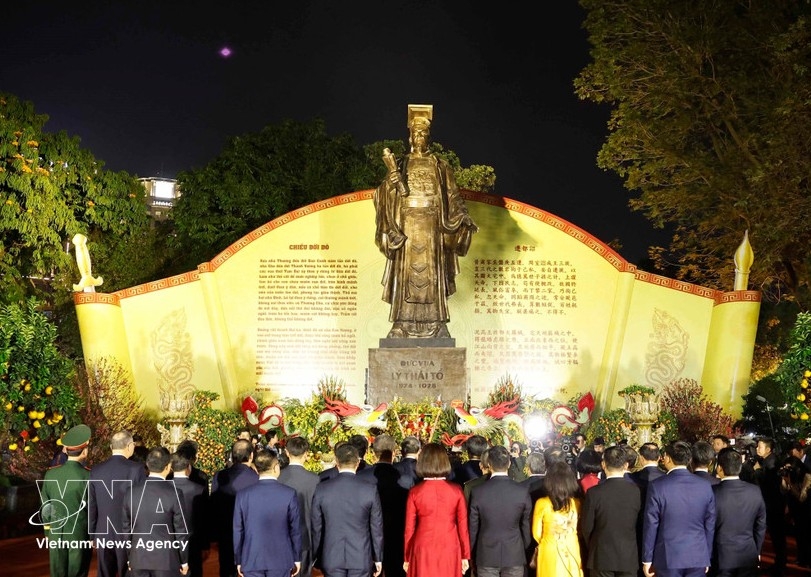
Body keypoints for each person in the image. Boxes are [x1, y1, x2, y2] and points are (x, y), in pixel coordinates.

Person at [373, 103, 478, 339]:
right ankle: (400, 324)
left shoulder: (440, 166)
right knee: (405, 277)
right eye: (415, 132)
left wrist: (462, 216)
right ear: (410, 136)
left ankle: (438, 324)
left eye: (423, 133)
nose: (419, 136)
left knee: (433, 276)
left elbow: (453, 196)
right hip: (406, 227)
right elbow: (381, 194)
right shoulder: (400, 164)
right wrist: (391, 184)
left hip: (432, 226)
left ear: (428, 137)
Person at [641, 440, 716, 577]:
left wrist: (647, 558)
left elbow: (651, 524)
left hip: (668, 555)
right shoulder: (705, 486)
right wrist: (707, 556)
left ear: (667, 458)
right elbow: (709, 524)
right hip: (698, 554)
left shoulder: (657, 486)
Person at [311, 443, 384, 577]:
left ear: (337, 462)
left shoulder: (322, 489)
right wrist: (378, 557)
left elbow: (316, 527)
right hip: (361, 556)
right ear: (357, 463)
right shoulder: (369, 489)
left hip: (332, 556)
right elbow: (376, 527)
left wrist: (314, 554)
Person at [404, 442, 471, 577]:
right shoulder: (456, 491)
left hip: (423, 546)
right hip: (449, 545)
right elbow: (463, 527)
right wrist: (465, 555)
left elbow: (409, 529)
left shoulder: (415, 492)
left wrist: (406, 556)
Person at [234, 449, 302, 577]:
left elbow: (238, 530)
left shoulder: (243, 495)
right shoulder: (289, 493)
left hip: (251, 559)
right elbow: (295, 529)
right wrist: (297, 557)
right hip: (281, 559)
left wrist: (238, 559)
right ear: (276, 467)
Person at [88, 429, 147, 577]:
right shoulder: (136, 469)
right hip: (128, 534)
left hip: (103, 533)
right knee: (127, 572)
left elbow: (92, 506)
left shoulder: (96, 470)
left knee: (104, 573)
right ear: (130, 446)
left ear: (111, 447)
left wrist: (92, 535)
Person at [122, 446, 189, 576]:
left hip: (138, 558)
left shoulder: (131, 492)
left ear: (147, 464)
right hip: (166, 560)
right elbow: (180, 531)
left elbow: (126, 530)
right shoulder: (175, 493)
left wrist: (130, 557)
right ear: (168, 467)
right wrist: (184, 561)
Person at [468, 445, 533, 577]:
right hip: (514, 554)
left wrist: (472, 553)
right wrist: (524, 549)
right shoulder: (521, 491)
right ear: (509, 464)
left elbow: (473, 527)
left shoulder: (478, 492)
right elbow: (526, 525)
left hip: (486, 554)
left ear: (489, 464)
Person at [579, 445, 642, 577]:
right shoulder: (636, 491)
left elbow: (586, 527)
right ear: (626, 465)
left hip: (601, 555)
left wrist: (593, 545)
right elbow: (640, 523)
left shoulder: (594, 493)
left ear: (603, 464)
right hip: (628, 556)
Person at [40, 424, 93, 577]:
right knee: (78, 573)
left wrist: (48, 532)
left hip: (55, 533)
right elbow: (92, 509)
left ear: (65, 450)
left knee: (57, 573)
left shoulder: (51, 475)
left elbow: (45, 507)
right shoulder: (88, 476)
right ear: (84, 451)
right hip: (80, 534)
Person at [711, 447, 767, 577]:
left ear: (719, 468)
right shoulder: (754, 491)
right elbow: (761, 525)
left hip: (721, 556)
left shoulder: (712, 492)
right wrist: (757, 551)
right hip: (748, 554)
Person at [360, 434, 409, 577]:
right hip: (397, 534)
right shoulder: (404, 478)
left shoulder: (362, 477)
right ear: (393, 452)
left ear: (374, 453)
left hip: (368, 536)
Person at [211, 439, 259, 577]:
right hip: (249, 532)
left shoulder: (220, 475)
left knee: (226, 568)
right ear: (251, 456)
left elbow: (214, 503)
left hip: (225, 530)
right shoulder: (256, 478)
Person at [531, 460, 583, 577]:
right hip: (572, 547)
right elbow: (580, 529)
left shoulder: (542, 503)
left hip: (549, 549)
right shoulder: (577, 503)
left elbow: (536, 533)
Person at [279, 436, 320, 577]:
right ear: (306, 454)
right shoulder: (314, 479)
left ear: (286, 452)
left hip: (281, 537)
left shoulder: (278, 477)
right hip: (305, 538)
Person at [171, 451, 210, 577]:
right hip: (194, 542)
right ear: (188, 467)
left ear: (170, 467)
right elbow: (203, 520)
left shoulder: (163, 488)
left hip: (168, 543)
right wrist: (205, 545)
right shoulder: (199, 490)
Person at [752, 436, 787, 576]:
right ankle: (779, 564)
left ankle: (780, 566)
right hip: (771, 504)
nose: (757, 448)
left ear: (768, 449)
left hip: (773, 505)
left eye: (759, 446)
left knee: (777, 536)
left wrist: (758, 471)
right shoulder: (767, 460)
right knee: (776, 536)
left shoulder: (771, 462)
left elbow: (770, 484)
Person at [778, 455, 811, 568]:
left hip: (806, 511)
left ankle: (807, 560)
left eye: (789, 468)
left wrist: (790, 483)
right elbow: (783, 491)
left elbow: (802, 498)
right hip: (795, 511)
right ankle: (801, 558)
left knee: (806, 535)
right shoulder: (790, 476)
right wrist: (784, 479)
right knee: (799, 535)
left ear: (797, 467)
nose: (788, 470)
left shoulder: (807, 477)